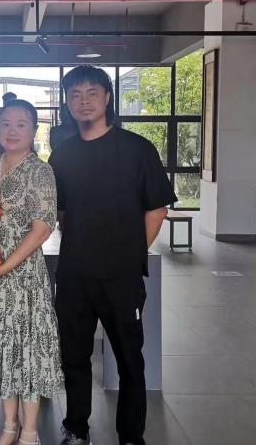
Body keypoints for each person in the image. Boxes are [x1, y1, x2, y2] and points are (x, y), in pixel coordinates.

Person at [48, 66, 177, 445]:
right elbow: (60, 211)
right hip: (74, 274)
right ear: (67, 103)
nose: (83, 101)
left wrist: (131, 252)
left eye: (92, 92)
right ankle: (76, 428)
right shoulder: (63, 154)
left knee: (129, 359)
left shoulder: (137, 149)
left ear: (107, 98)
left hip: (121, 276)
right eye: (75, 94)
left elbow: (157, 209)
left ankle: (131, 436)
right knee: (74, 356)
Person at [0, 99, 62, 445]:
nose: (12, 130)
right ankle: (9, 425)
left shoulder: (40, 172)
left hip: (24, 279)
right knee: (2, 348)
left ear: (34, 130)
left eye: (21, 124)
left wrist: (2, 268)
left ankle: (30, 432)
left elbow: (43, 227)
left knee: (27, 350)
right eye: (5, 123)